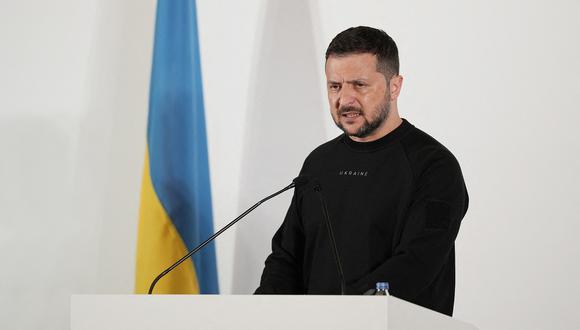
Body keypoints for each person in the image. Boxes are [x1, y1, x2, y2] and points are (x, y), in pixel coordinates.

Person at [255, 26, 469, 317]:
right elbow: (286, 257)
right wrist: (258, 312)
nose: (345, 99)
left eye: (359, 85)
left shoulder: (433, 166)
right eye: (335, 86)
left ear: (395, 86)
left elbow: (419, 263)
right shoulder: (319, 163)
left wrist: (344, 312)